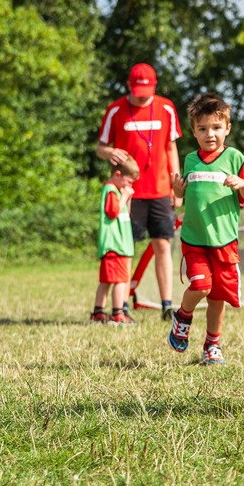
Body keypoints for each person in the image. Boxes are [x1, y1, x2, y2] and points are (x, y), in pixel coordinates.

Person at [168, 94, 244, 365]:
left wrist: (241, 185)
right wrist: (177, 191)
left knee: (218, 295)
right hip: (194, 238)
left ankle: (211, 345)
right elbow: (182, 199)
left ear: (227, 128)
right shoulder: (190, 160)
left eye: (216, 128)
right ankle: (183, 315)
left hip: (225, 240)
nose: (210, 134)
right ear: (193, 131)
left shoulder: (235, 157)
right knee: (202, 286)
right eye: (203, 129)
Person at [96, 63, 181, 317]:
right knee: (126, 248)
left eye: (146, 90)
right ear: (128, 86)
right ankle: (120, 305)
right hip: (128, 193)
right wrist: (109, 151)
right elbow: (100, 147)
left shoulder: (166, 107)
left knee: (162, 245)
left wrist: (176, 186)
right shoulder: (116, 110)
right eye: (137, 90)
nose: (142, 95)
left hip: (161, 190)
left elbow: (170, 149)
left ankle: (167, 305)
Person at [94, 157, 140, 324]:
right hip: (115, 245)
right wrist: (123, 196)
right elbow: (113, 212)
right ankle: (117, 313)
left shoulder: (117, 191)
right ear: (118, 174)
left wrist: (127, 197)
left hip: (118, 245)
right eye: (128, 181)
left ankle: (98, 313)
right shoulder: (111, 190)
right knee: (120, 280)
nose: (129, 186)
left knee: (107, 281)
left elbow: (125, 213)